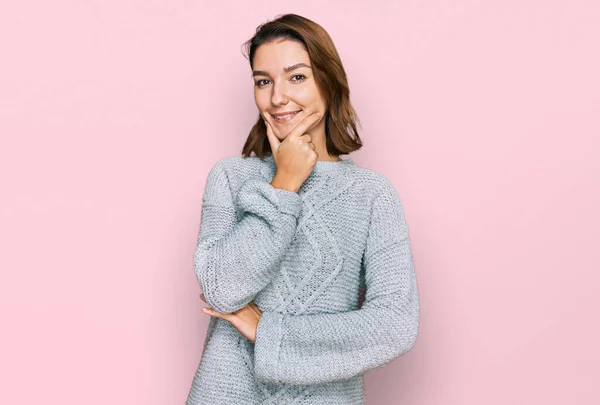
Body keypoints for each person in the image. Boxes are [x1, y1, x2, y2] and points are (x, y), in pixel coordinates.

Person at [186, 13, 420, 405]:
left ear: (328, 82)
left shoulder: (372, 195)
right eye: (263, 81)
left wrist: (270, 333)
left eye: (297, 77)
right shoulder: (230, 177)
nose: (278, 97)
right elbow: (221, 288)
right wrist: (283, 185)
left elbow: (395, 324)